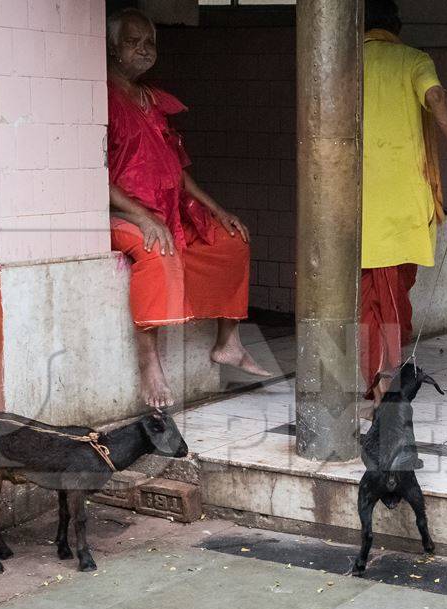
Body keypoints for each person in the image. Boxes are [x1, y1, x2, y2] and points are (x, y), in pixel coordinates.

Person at [105, 9, 271, 408]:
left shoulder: (152, 99)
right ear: (112, 47)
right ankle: (150, 365)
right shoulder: (100, 97)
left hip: (167, 209)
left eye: (150, 43)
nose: (145, 50)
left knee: (231, 241)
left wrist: (217, 209)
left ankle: (228, 342)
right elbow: (93, 176)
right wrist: (141, 216)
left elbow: (177, 172)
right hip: (120, 213)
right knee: (156, 251)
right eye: (133, 42)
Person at [360, 0, 447, 410]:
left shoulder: (344, 61)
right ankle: (387, 379)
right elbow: (437, 98)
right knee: (393, 298)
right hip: (400, 204)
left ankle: (373, 378)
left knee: (364, 297)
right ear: (396, 27)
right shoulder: (413, 59)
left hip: (350, 202)